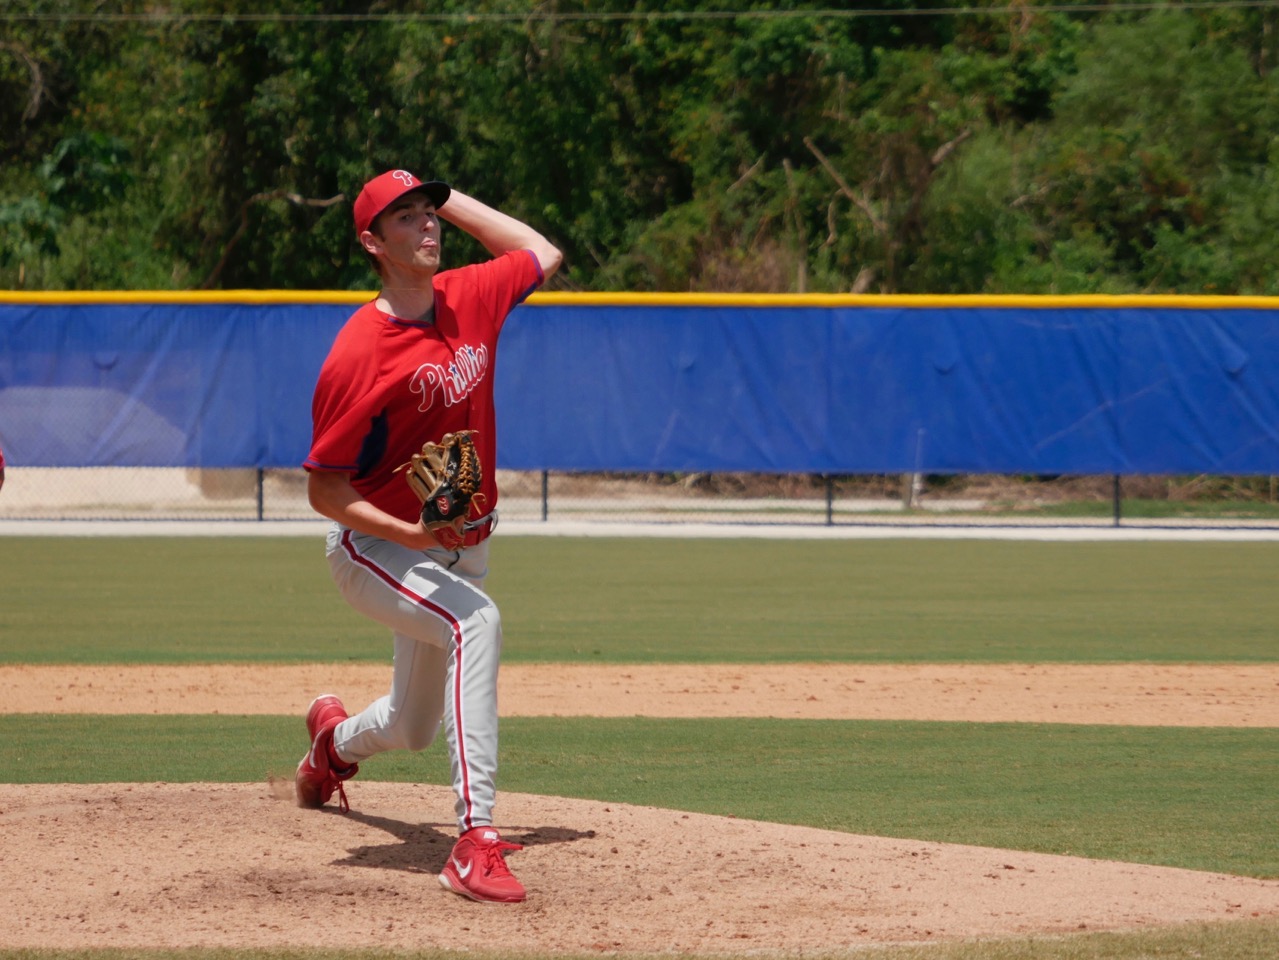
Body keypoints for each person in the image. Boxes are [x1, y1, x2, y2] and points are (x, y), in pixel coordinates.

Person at [297, 168, 562, 904]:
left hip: (463, 543)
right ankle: (474, 841)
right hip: (376, 547)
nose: (427, 226)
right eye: (406, 217)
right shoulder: (359, 351)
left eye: (428, 212)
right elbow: (324, 490)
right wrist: (408, 535)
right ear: (372, 243)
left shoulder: (469, 295)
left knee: (411, 727)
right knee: (476, 623)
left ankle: (331, 747)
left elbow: (541, 252)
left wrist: (444, 196)